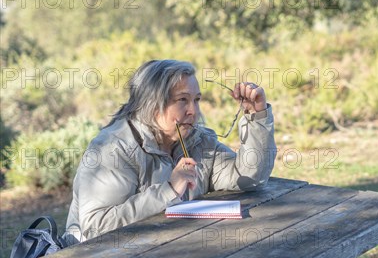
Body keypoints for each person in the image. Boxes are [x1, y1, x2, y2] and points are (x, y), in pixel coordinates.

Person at [63, 60, 276, 245]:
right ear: (152, 104)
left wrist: (257, 116)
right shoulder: (113, 149)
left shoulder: (196, 140)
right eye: (182, 100)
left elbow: (249, 177)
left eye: (197, 99)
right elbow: (96, 228)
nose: (193, 110)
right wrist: (169, 190)